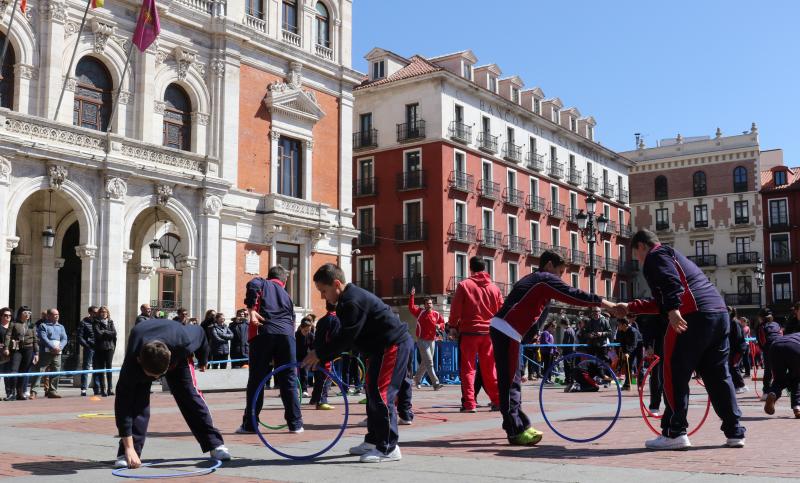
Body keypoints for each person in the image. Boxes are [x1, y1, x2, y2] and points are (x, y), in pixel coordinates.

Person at [615, 229, 746, 450]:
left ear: (642, 246)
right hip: (719, 314)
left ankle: (675, 432)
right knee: (718, 376)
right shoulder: (674, 256)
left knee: (674, 373)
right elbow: (662, 300)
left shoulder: (656, 255)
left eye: (636, 254)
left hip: (692, 315)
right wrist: (629, 307)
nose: (638, 259)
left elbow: (671, 284)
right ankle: (735, 432)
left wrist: (674, 310)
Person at [489, 250, 617, 446]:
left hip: (508, 331)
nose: (560, 277)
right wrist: (606, 304)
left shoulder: (535, 281)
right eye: (560, 271)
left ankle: (519, 424)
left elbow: (535, 310)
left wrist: (531, 334)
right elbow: (572, 294)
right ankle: (515, 431)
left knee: (514, 380)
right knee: (510, 383)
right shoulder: (544, 279)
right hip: (507, 330)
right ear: (549, 265)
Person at [303, 263, 413, 463]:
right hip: (379, 349)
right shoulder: (346, 301)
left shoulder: (352, 301)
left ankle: (388, 447)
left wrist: (319, 353)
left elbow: (346, 338)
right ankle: (373, 440)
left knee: (381, 394)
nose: (322, 296)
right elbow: (344, 337)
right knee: (371, 393)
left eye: (324, 291)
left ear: (337, 284)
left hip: (392, 345)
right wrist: (322, 353)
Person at [113, 319, 230, 469]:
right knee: (137, 405)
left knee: (189, 396)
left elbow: (201, 333)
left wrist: (203, 358)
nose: (156, 378)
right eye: (152, 376)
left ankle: (215, 444)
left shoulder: (184, 340)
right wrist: (128, 447)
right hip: (144, 355)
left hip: (176, 355)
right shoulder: (131, 365)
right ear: (139, 360)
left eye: (159, 375)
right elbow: (123, 406)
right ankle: (128, 453)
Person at [236, 265, 302, 435]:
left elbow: (253, 284)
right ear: (284, 281)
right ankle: (295, 424)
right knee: (289, 380)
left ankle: (250, 424)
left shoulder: (263, 283)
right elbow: (293, 319)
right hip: (287, 336)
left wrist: (251, 309)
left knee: (257, 379)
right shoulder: (287, 296)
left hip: (263, 332)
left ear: (270, 276)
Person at [448, 256, 502, 412]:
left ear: (470, 268)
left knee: (468, 369)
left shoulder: (464, 285)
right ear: (485, 268)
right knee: (490, 369)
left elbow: (455, 309)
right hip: (489, 333)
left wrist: (453, 326)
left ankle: (470, 403)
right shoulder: (494, 288)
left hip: (469, 332)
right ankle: (497, 400)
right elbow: (501, 311)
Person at [408, 288, 444, 390]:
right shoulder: (420, 312)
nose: (429, 305)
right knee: (429, 362)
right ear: (424, 305)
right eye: (427, 304)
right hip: (422, 340)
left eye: (430, 303)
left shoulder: (436, 314)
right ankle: (436, 383)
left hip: (432, 341)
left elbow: (443, 323)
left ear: (432, 304)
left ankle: (417, 379)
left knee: (425, 362)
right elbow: (411, 307)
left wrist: (439, 325)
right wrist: (412, 296)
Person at [30, 308, 68, 399]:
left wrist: (60, 347)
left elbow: (64, 338)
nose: (57, 316)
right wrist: (52, 347)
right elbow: (43, 338)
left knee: (56, 371)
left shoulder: (61, 327)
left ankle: (52, 391)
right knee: (39, 371)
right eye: (55, 314)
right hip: (45, 353)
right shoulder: (43, 326)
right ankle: (34, 392)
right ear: (49, 316)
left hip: (57, 353)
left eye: (58, 314)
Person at [763, 332, 800, 418]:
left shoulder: (795, 334)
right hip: (794, 346)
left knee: (779, 379)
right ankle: (797, 407)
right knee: (797, 378)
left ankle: (773, 393)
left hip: (775, 346)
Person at [309, 303, 339, 410]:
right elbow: (333, 338)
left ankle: (314, 398)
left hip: (317, 351)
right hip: (326, 353)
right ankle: (322, 400)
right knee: (327, 377)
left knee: (318, 377)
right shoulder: (335, 320)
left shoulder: (322, 320)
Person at [5, 306, 38, 400]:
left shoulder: (32, 325)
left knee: (24, 371)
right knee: (14, 370)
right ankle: (11, 393)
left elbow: (35, 340)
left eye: (29, 313)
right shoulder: (14, 323)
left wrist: (36, 353)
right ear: (20, 314)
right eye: (25, 313)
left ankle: (20, 393)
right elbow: (8, 336)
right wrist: (6, 348)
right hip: (17, 349)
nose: (27, 315)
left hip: (28, 350)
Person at [756, 308, 783, 400]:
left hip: (769, 349)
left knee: (768, 371)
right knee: (779, 370)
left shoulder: (761, 326)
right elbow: (781, 334)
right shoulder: (776, 324)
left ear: (761, 317)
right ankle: (779, 390)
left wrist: (763, 350)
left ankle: (766, 392)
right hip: (780, 347)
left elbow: (761, 341)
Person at [580, 307, 612, 380]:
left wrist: (602, 333)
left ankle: (606, 379)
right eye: (594, 312)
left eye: (597, 311)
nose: (595, 313)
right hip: (591, 345)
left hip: (602, 345)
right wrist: (589, 335)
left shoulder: (605, 321)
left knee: (603, 362)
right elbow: (584, 332)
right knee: (590, 362)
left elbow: (610, 332)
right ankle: (592, 379)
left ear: (600, 312)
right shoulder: (589, 321)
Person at [93, 306, 118, 397]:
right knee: (101, 369)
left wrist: (104, 331)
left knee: (109, 368)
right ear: (99, 313)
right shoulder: (96, 322)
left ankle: (110, 388)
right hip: (100, 348)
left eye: (105, 312)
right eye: (102, 312)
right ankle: (103, 389)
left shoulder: (110, 322)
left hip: (110, 347)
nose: (104, 314)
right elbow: (98, 334)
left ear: (107, 313)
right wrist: (108, 333)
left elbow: (114, 333)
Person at [78, 306, 99, 396]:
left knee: (97, 367)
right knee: (86, 367)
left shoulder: (98, 322)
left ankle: (97, 388)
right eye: (95, 312)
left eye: (97, 312)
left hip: (98, 348)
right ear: (90, 312)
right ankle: (83, 389)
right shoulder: (84, 322)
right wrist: (87, 345)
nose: (96, 314)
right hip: (89, 348)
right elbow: (80, 337)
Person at [616, 316, 641, 391]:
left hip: (638, 347)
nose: (618, 326)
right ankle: (627, 385)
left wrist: (628, 353)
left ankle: (640, 384)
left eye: (619, 324)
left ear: (624, 325)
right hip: (629, 348)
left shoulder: (633, 331)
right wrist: (624, 352)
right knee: (628, 366)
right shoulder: (621, 331)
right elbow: (623, 343)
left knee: (639, 365)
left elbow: (634, 344)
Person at [727, 308, 747, 394]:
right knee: (732, 366)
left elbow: (738, 336)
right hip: (734, 348)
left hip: (738, 348)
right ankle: (736, 385)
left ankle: (741, 385)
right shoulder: (731, 322)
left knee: (734, 366)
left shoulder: (734, 322)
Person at [295, 319, 314, 396]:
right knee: (293, 374)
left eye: (309, 330)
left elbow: (313, 348)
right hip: (294, 355)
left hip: (304, 356)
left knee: (304, 374)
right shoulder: (296, 335)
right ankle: (292, 390)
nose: (307, 332)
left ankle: (304, 390)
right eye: (305, 330)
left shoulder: (311, 335)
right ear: (301, 328)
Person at [560, 317, 576, 388]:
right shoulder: (572, 330)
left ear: (563, 324)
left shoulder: (567, 331)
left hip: (567, 351)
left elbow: (565, 342)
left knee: (567, 366)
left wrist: (561, 349)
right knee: (572, 365)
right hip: (572, 350)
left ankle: (568, 380)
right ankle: (571, 380)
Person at [0, 307, 12, 400]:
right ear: (1, 316)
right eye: (5, 315)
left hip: (11, 354)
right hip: (0, 354)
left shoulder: (13, 326)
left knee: (8, 375)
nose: (8, 317)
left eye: (9, 315)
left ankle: (9, 394)